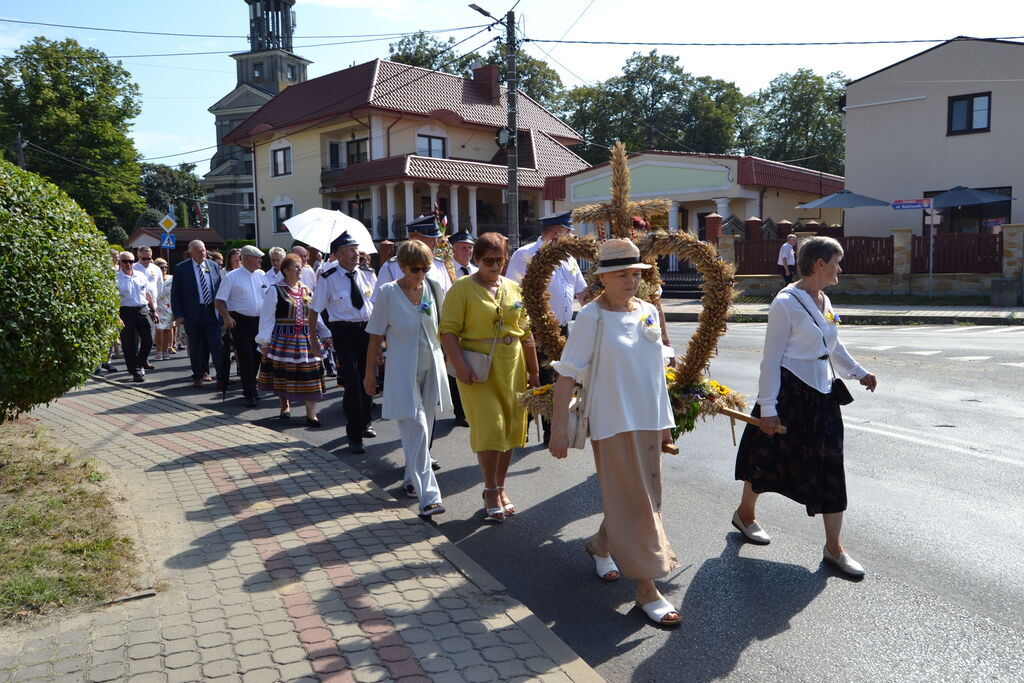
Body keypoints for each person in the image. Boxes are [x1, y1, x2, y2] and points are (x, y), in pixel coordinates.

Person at [548, 238, 681, 627]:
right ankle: (646, 589)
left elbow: (656, 371)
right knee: (638, 502)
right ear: (602, 277)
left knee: (644, 497)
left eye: (635, 274)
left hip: (649, 420)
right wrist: (558, 430)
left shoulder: (647, 310)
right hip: (613, 422)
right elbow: (567, 375)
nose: (629, 281)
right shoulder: (593, 316)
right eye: (620, 274)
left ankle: (599, 545)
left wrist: (666, 425)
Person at [733, 236, 878, 578]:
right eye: (836, 262)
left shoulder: (823, 298)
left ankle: (833, 547)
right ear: (819, 264)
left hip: (823, 393)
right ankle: (745, 514)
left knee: (831, 465)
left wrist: (859, 373)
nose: (839, 268)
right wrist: (767, 407)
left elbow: (833, 344)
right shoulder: (785, 303)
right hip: (789, 394)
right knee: (767, 457)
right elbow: (770, 360)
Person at [440, 232, 540, 523]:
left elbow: (526, 331)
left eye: (500, 260)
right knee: (492, 427)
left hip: (512, 365)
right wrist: (459, 366)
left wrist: (534, 372)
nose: (495, 266)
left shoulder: (513, 288)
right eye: (488, 261)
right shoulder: (461, 289)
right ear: (476, 259)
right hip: (477, 368)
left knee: (510, 429)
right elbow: (447, 331)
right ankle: (490, 488)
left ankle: (500, 486)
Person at [363, 240, 451, 515]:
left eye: (425, 268)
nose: (421, 274)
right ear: (401, 267)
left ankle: (411, 479)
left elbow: (444, 329)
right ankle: (430, 498)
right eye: (415, 269)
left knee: (422, 435)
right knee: (418, 428)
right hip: (402, 370)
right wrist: (369, 374)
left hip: (431, 368)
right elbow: (375, 334)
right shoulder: (389, 293)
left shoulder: (433, 288)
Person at [506, 211, 589, 444]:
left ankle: (553, 430)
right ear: (555, 234)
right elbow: (512, 293)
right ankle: (523, 428)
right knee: (535, 379)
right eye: (568, 234)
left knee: (559, 378)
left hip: (562, 329)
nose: (571, 239)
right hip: (534, 329)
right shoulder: (525, 255)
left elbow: (582, 293)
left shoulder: (569, 259)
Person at [310, 232, 377, 453]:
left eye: (357, 248)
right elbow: (314, 311)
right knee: (352, 382)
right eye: (351, 249)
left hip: (367, 331)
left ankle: (365, 421)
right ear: (338, 254)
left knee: (368, 378)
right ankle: (354, 436)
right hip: (343, 333)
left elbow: (377, 306)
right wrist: (313, 339)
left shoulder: (368, 274)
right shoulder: (327, 278)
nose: (356, 253)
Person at [257, 253, 330, 426]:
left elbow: (315, 315)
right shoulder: (275, 290)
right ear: (285, 270)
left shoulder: (306, 290)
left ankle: (311, 414)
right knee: (283, 375)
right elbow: (267, 318)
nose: (300, 270)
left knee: (310, 375)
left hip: (306, 338)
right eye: (296, 267)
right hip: (283, 340)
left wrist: (325, 334)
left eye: (300, 267)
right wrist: (264, 342)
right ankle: (285, 404)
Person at [215, 245, 269, 408]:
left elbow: (268, 295)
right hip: (240, 321)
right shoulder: (232, 277)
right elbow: (219, 300)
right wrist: (226, 316)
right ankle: (250, 393)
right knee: (246, 357)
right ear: (246, 258)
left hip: (259, 322)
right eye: (257, 257)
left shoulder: (261, 275)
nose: (260, 260)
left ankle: (251, 386)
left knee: (258, 356)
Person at [171, 240, 225, 389]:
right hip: (193, 313)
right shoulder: (182, 268)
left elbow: (219, 289)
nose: (203, 254)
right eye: (199, 251)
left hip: (211, 311)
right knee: (196, 347)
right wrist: (178, 314)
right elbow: (176, 294)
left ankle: (222, 377)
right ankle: (198, 375)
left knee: (217, 346)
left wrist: (223, 311)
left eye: (204, 250)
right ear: (191, 253)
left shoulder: (213, 266)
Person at [373, 216, 452, 301]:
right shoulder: (391, 267)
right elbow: (379, 302)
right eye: (431, 240)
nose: (435, 244)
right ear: (413, 238)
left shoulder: (439, 265)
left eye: (436, 240)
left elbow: (449, 299)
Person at [115, 251, 158, 383]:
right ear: (119, 262)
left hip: (142, 309)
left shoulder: (140, 275)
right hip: (125, 312)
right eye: (125, 261)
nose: (128, 264)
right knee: (129, 343)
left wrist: (153, 310)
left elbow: (147, 294)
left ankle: (138, 364)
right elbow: (113, 300)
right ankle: (135, 370)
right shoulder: (116, 278)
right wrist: (117, 317)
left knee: (148, 340)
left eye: (131, 261)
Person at [133, 246, 163, 370]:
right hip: (138, 306)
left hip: (151, 306)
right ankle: (136, 361)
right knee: (136, 336)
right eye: (144, 258)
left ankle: (143, 359)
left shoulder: (156, 269)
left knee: (148, 336)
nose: (146, 261)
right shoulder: (134, 268)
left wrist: (155, 306)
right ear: (138, 257)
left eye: (149, 258)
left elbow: (159, 287)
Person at [152, 258, 175, 360]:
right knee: (159, 330)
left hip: (169, 306)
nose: (164, 268)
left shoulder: (171, 278)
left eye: (166, 266)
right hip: (157, 306)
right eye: (161, 267)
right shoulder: (154, 278)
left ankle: (166, 350)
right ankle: (159, 351)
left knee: (168, 329)